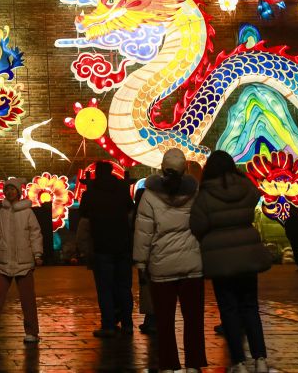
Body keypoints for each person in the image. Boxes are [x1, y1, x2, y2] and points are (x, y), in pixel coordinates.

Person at [190, 151, 271, 373]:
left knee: (229, 310)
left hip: (220, 258)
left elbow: (197, 225)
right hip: (247, 253)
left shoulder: (205, 194)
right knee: (250, 307)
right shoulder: (245, 187)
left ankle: (238, 362)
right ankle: (260, 359)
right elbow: (255, 198)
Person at [133, 148, 206, 373]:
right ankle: (193, 363)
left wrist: (141, 262)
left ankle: (168, 364)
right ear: (185, 168)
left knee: (164, 320)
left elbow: (143, 232)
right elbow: (203, 225)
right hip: (192, 266)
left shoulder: (149, 195)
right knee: (193, 319)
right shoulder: (195, 193)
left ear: (162, 168)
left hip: (161, 266)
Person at [0, 178, 43, 344]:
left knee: (27, 299)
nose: (9, 192)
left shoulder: (28, 212)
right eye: (7, 190)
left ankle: (32, 332)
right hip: (4, 261)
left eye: (13, 189)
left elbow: (35, 234)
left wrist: (37, 254)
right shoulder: (1, 212)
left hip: (24, 261)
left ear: (19, 192)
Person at [78, 161, 136, 337]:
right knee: (124, 287)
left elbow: (83, 214)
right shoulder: (121, 190)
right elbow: (129, 209)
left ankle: (108, 324)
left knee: (105, 288)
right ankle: (127, 323)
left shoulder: (91, 193)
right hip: (123, 244)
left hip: (101, 245)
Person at [132, 185, 154, 333]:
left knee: (147, 289)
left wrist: (139, 261)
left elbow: (141, 237)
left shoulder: (136, 216)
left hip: (146, 256)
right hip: (158, 254)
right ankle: (152, 320)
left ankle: (151, 320)